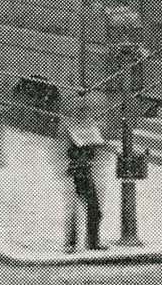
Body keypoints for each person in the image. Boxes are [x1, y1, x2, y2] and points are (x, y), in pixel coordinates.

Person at [65, 90, 106, 252]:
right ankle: (75, 243)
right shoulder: (72, 126)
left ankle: (89, 241)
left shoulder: (88, 125)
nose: (86, 111)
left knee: (91, 208)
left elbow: (94, 147)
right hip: (77, 171)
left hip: (85, 170)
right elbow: (70, 150)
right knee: (82, 208)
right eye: (83, 109)